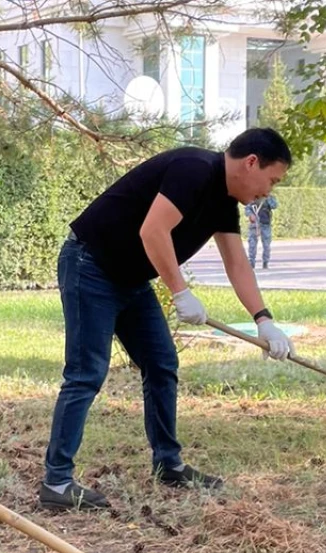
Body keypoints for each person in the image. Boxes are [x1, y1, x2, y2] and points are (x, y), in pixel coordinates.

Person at [39, 128, 296, 511]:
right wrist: (180, 292)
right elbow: (153, 230)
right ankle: (56, 482)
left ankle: (168, 464)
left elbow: (237, 262)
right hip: (90, 264)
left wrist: (263, 320)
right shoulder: (193, 168)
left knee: (162, 363)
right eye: (272, 180)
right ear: (251, 162)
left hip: (131, 278)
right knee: (87, 371)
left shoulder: (225, 200)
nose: (268, 191)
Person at [248, 193, 278, 269]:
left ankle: (265, 261)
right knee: (252, 244)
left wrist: (268, 197)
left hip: (265, 224)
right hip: (254, 225)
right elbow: (248, 208)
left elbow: (274, 206)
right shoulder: (253, 195)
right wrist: (250, 215)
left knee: (266, 245)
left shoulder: (268, 197)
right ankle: (251, 262)